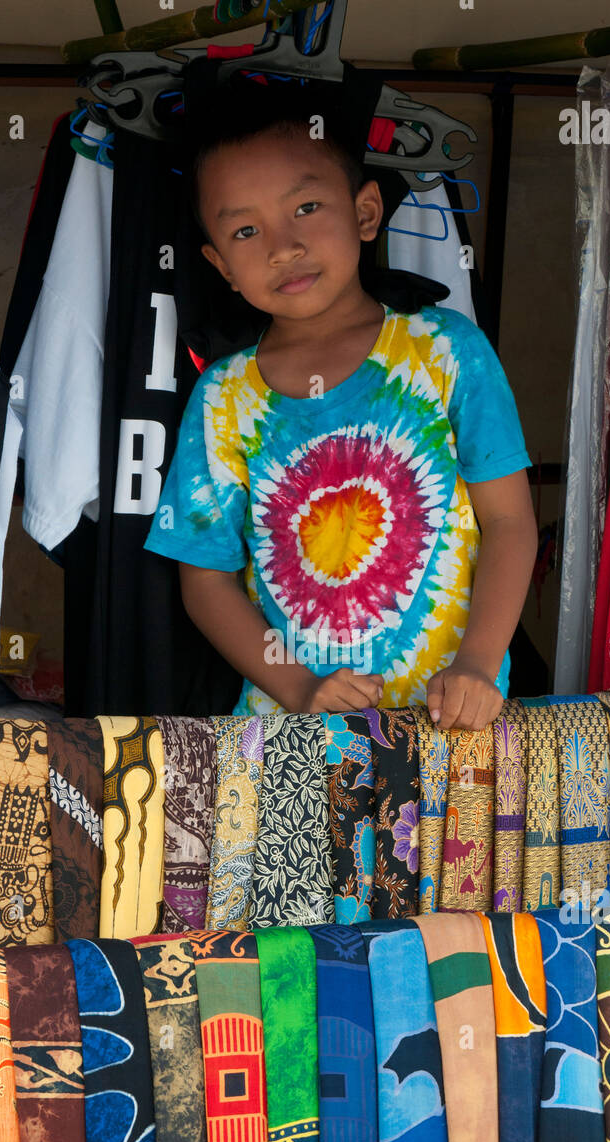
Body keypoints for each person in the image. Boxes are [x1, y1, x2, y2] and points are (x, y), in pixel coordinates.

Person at [145, 86, 538, 732]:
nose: (282, 246)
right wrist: (299, 688)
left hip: (453, 728)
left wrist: (476, 663)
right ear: (219, 265)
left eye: (305, 207)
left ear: (364, 212)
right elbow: (206, 581)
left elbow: (509, 521)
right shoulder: (222, 397)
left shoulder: (444, 350)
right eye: (245, 229)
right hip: (290, 740)